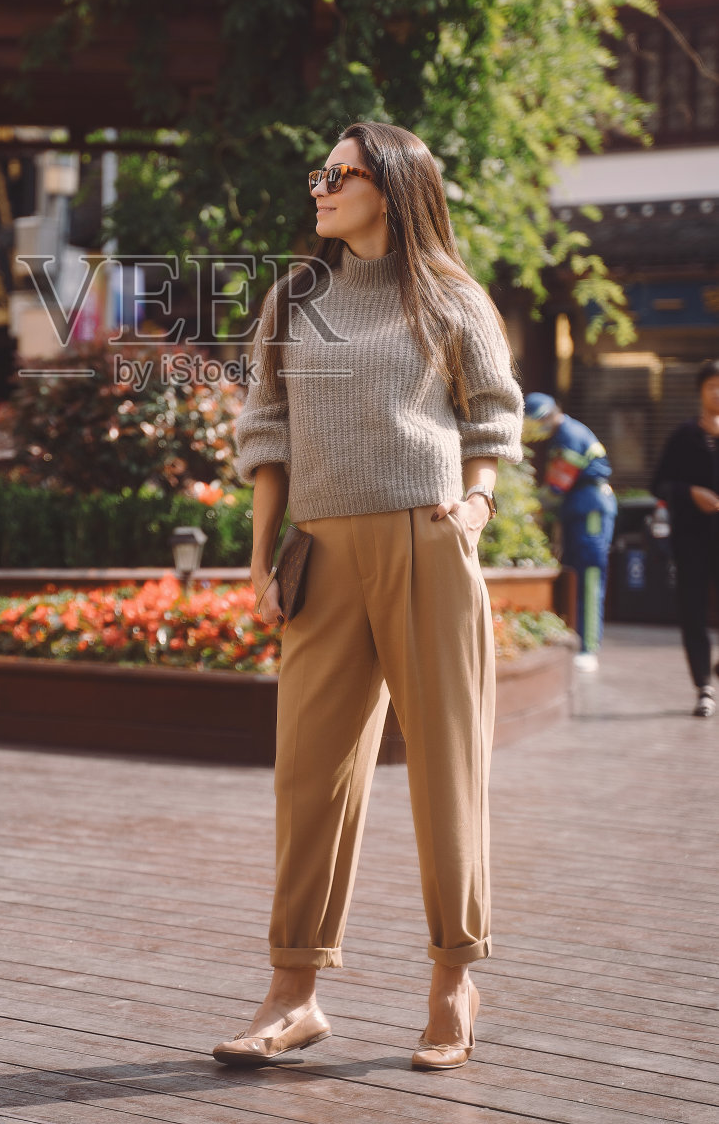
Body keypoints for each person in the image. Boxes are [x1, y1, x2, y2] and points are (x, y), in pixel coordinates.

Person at [217, 121, 523, 1073]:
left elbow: (494, 413)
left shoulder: (447, 295)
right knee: (309, 775)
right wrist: (260, 556)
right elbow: (264, 429)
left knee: (446, 770)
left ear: (389, 187)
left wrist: (473, 505)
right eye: (318, 173)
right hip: (320, 550)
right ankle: (292, 993)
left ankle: (451, 981)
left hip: (426, 545)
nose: (320, 187)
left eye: (338, 174)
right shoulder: (294, 298)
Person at [521, 392, 618, 673]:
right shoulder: (563, 435)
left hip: (590, 510)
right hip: (578, 511)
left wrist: (531, 507)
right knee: (576, 575)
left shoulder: (571, 434)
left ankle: (589, 647)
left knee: (588, 577)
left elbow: (557, 485)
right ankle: (580, 641)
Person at [650, 359, 719, 719]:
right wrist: (690, 492)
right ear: (701, 392)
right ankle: (703, 687)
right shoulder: (684, 436)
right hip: (691, 539)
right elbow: (658, 483)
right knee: (693, 613)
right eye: (712, 386)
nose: (718, 392)